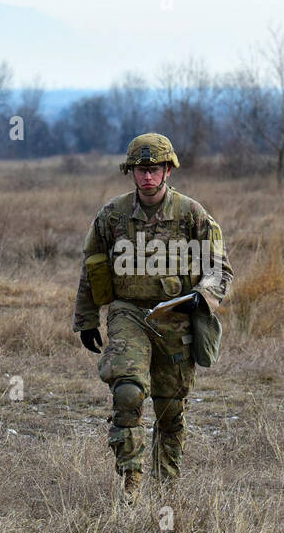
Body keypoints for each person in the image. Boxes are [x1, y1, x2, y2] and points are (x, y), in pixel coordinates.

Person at [73, 133, 233, 504]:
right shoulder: (112, 215)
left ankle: (166, 487)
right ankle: (131, 481)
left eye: (155, 169)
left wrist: (202, 296)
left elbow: (219, 268)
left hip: (176, 314)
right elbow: (91, 267)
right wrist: (86, 319)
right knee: (128, 391)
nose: (147, 176)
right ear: (131, 172)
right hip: (128, 312)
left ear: (168, 170)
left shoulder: (192, 213)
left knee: (170, 408)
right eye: (141, 169)